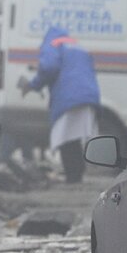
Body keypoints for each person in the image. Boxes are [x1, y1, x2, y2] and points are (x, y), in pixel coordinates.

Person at [19, 25, 101, 184]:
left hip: (69, 96)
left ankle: (72, 177)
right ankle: (76, 175)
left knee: (64, 137)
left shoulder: (53, 44)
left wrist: (33, 85)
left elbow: (48, 66)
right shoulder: (77, 46)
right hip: (89, 95)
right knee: (73, 137)